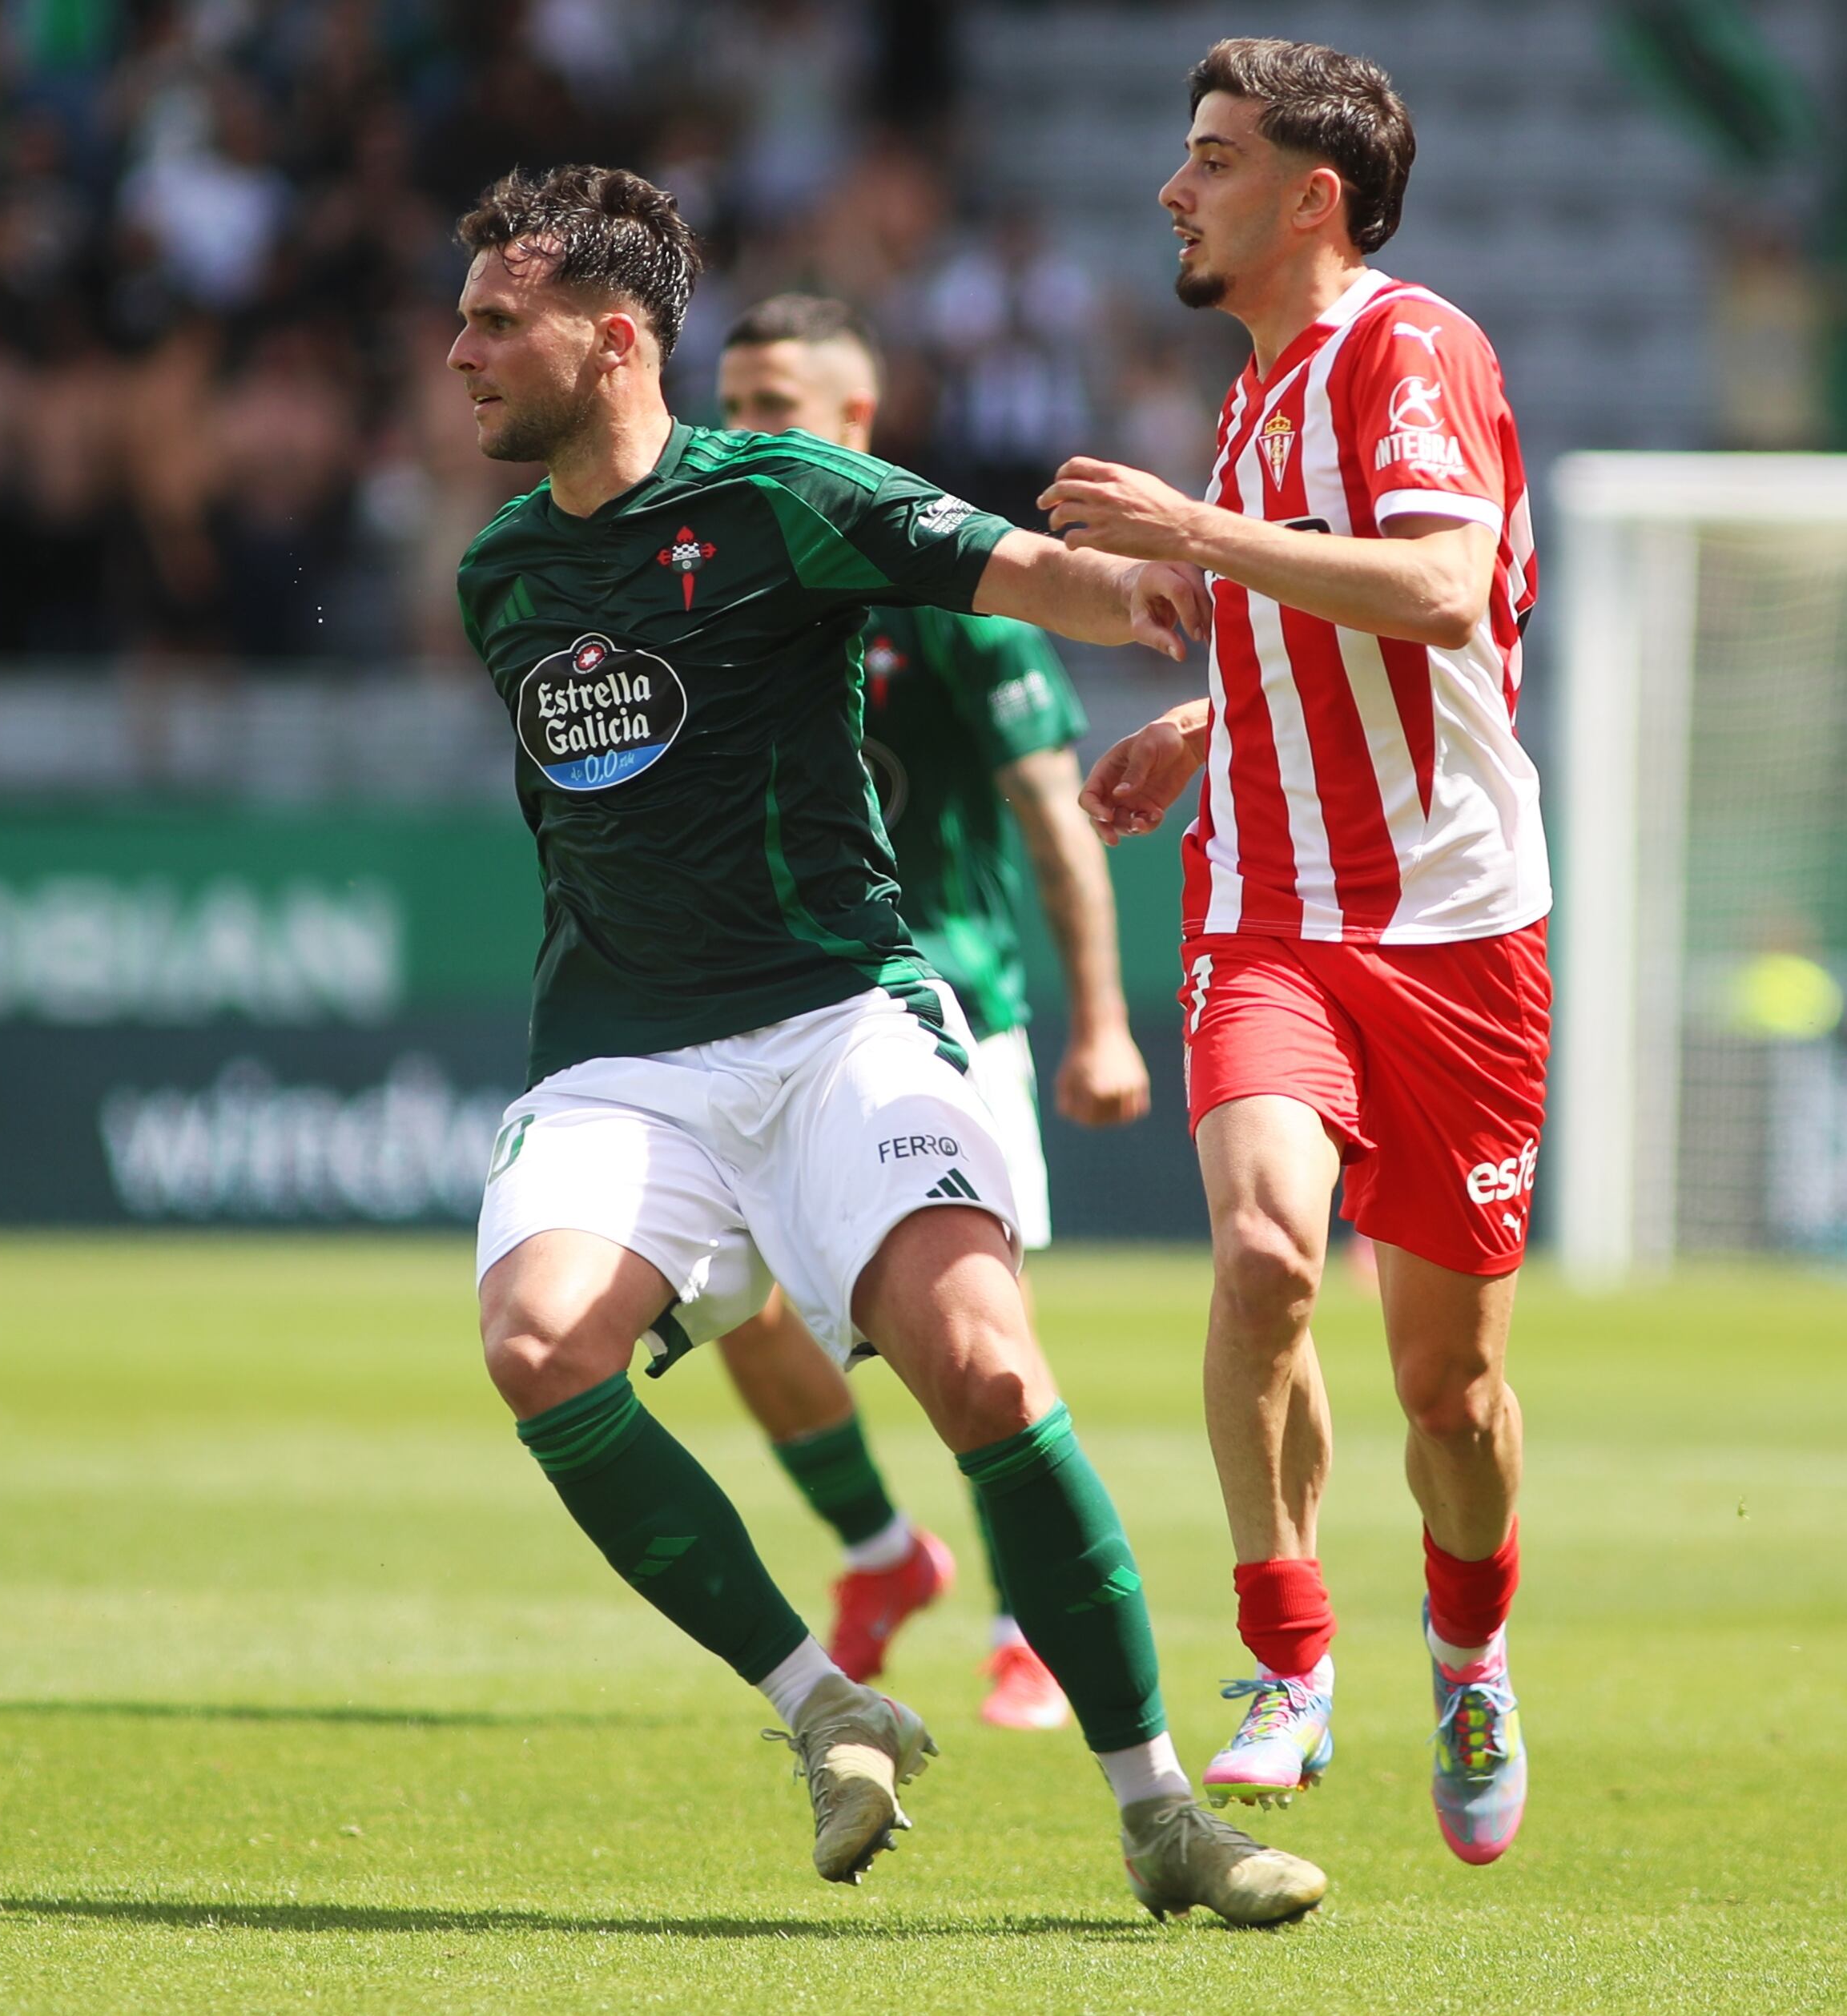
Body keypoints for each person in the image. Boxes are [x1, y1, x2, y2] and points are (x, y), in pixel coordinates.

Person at [449, 163, 1324, 1925]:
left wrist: (1170, 593)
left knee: (989, 1372)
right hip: (625, 1060)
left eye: (491, 319)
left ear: (612, 340)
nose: (456, 349)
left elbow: (1021, 570)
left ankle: (1161, 1809)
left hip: (842, 1014)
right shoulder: (503, 573)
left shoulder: (781, 492)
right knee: (541, 1344)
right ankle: (823, 1698)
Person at [1051, 38, 1547, 1865]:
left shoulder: (1407, 348)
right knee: (1265, 1252)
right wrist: (1207, 723)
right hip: (1266, 910)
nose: (1175, 190)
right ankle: (1287, 1656)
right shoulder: (1258, 400)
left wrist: (1191, 537)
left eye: (1210, 159)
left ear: (1309, 195)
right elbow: (1315, 613)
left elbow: (1431, 585)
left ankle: (1468, 1640)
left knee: (1448, 1387)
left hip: (1455, 932)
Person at [711, 292, 1152, 1734]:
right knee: (734, 1303)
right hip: (775, 1005)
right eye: (732, 403)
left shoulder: (940, 581)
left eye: (777, 408)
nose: (742, 432)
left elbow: (1053, 811)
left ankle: (1032, 1620)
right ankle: (884, 1555)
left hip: (947, 1001)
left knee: (973, 1330)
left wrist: (1100, 1019)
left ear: (854, 424)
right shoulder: (708, 568)